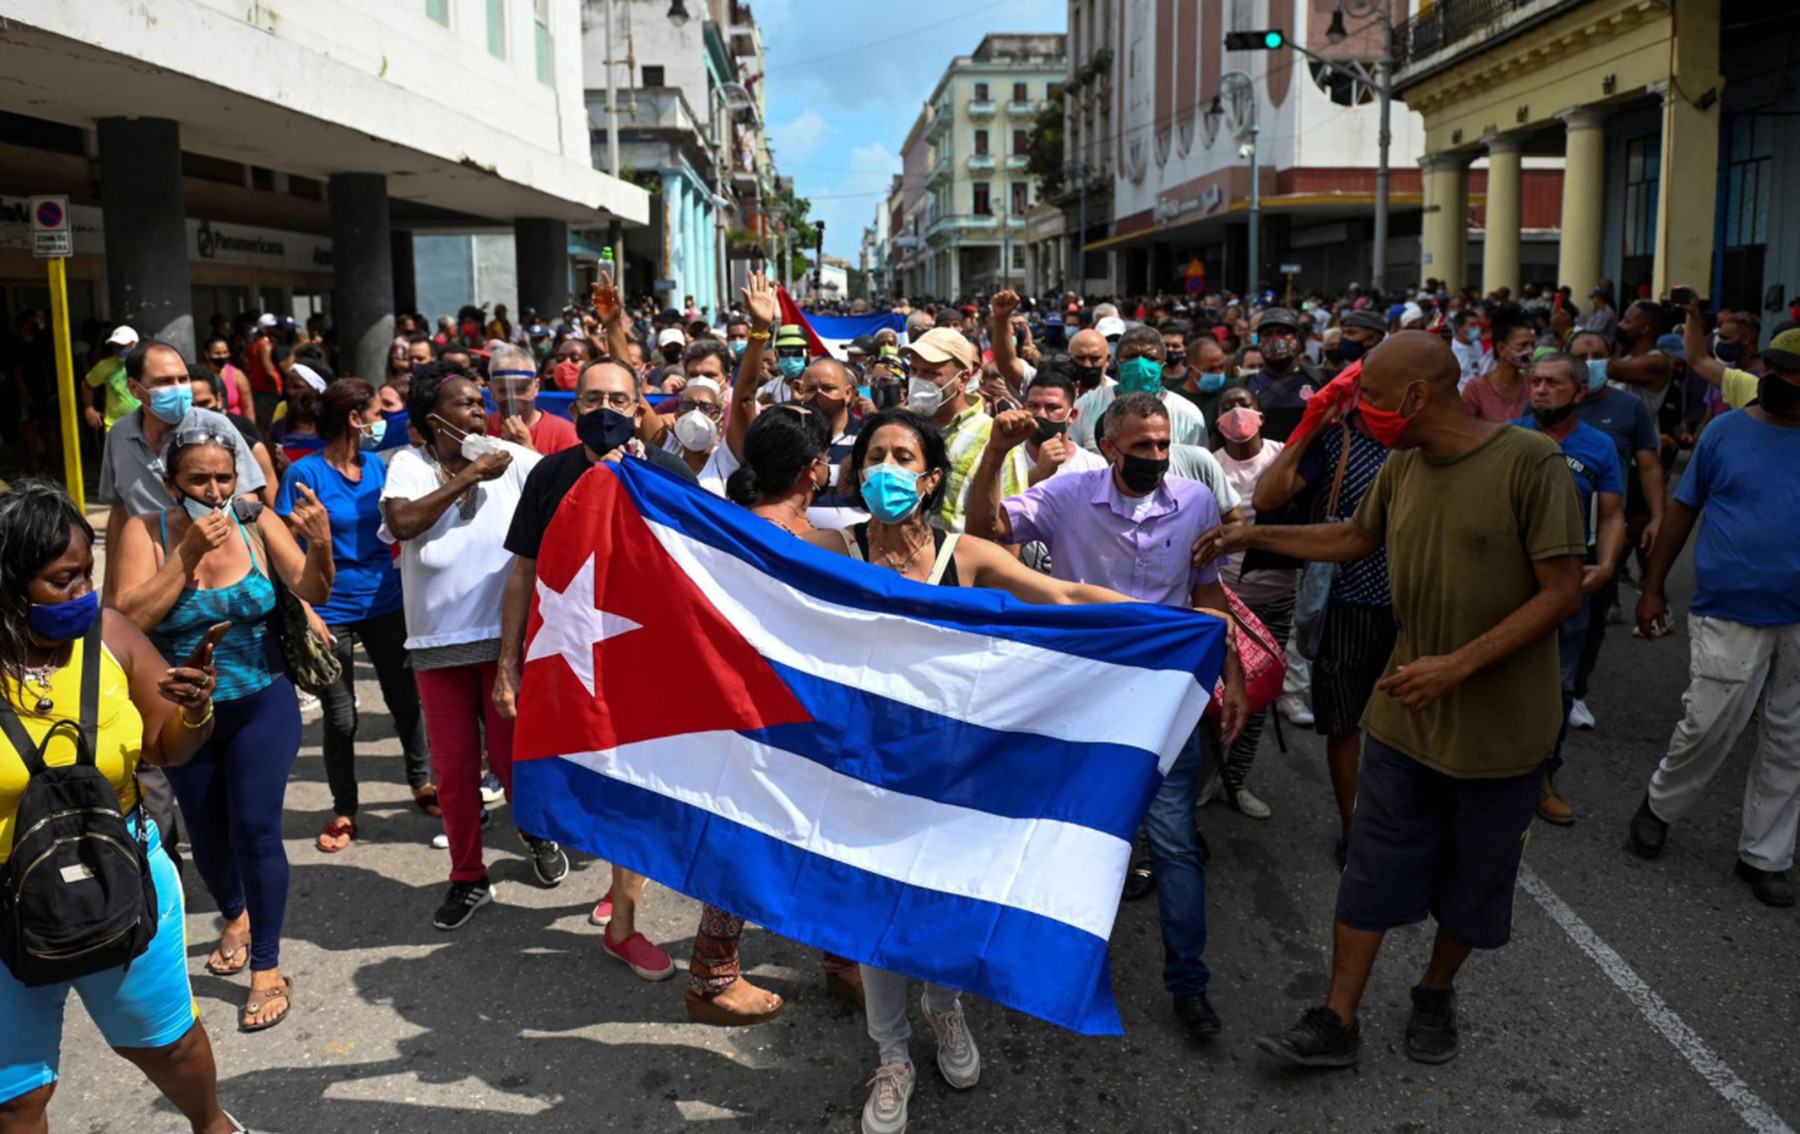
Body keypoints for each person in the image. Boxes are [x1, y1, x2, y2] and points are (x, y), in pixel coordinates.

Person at [803, 406, 1200, 1134]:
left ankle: (944, 1009)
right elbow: (740, 556)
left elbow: (1067, 597)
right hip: (867, 761)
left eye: (902, 457)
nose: (886, 470)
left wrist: (1177, 629)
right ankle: (891, 1056)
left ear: (928, 477)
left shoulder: (968, 554)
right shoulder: (832, 547)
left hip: (957, 765)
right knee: (877, 912)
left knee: (949, 897)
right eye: (875, 456)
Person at [1199, 331, 1584, 1068]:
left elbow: (1563, 590)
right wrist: (1249, 534)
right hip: (1405, 720)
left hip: (1502, 733)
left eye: (1370, 397)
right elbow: (1351, 538)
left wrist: (1457, 666)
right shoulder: (1405, 467)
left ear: (1413, 396)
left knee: (1474, 882)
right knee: (1372, 869)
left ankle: (1435, 991)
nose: (1363, 410)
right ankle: (1337, 1019)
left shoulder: (1529, 462)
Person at [967, 392, 1248, 1042]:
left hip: (1164, 700)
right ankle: (1033, 963)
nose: (1154, 456)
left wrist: (1229, 674)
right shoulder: (1068, 495)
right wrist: (997, 453)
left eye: (1161, 445)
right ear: (1110, 447)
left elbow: (1209, 596)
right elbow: (988, 531)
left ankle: (1190, 986)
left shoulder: (1197, 503)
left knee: (1176, 846)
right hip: (1080, 698)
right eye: (1141, 446)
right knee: (1054, 832)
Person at [0, 482, 244, 1133]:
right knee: (15, 1097)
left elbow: (169, 747)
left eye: (88, 573)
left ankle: (213, 1124)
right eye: (61, 580)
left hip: (123, 881)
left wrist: (196, 708)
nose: (84, 592)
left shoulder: (111, 637)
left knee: (166, 1046)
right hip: (6, 908)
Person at [110, 425, 335, 1033]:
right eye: (198, 480)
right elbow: (126, 619)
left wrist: (321, 545)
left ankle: (267, 966)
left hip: (263, 698)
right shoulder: (144, 530)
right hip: (183, 711)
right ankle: (234, 912)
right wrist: (184, 556)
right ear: (170, 483)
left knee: (257, 829)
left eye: (223, 478)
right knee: (207, 836)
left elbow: (310, 587)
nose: (213, 492)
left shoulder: (257, 522)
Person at [497, 358, 695, 982]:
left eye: (618, 398)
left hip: (646, 661)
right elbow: (522, 571)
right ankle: (614, 873)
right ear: (572, 406)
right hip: (569, 656)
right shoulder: (548, 475)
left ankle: (622, 921)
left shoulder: (666, 473)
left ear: (640, 408)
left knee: (634, 784)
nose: (603, 409)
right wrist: (508, 666)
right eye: (590, 399)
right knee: (582, 777)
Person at [380, 359, 571, 927]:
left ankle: (535, 836)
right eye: (466, 404)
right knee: (455, 771)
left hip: (502, 643)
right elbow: (405, 524)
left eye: (480, 402)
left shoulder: (508, 460)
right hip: (436, 646)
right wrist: (468, 476)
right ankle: (468, 877)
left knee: (515, 763)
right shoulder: (408, 466)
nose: (480, 411)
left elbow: (571, 481)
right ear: (433, 421)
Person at [1627, 335, 1800, 908]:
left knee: (1791, 740)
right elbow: (1683, 511)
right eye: (1777, 370)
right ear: (1762, 370)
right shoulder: (1725, 432)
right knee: (1709, 722)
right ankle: (1661, 805)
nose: (1786, 382)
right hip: (1730, 606)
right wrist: (1653, 587)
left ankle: (1765, 856)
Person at [276, 378, 434, 853]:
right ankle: (345, 809)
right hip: (329, 610)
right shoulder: (304, 476)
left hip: (386, 602)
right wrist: (305, 611)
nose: (382, 421)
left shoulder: (378, 467)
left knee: (405, 702)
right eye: (376, 411)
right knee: (341, 718)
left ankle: (422, 783)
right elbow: (284, 549)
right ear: (354, 418)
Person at [1510, 353, 1626, 824]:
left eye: (1553, 383)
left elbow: (1614, 514)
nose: (1539, 389)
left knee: (1556, 686)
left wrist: (1607, 565)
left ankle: (1541, 777)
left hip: (1567, 588)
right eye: (1534, 381)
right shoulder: (1508, 436)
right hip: (1507, 584)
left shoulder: (1599, 446)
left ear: (1579, 392)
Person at [1568, 329, 1663, 730]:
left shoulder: (1628, 408)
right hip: (1549, 529)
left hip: (1605, 529)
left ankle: (1574, 693)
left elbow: (1649, 464)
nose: (1591, 361)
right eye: (1582, 354)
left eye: (1599, 354)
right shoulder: (1548, 405)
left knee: (1592, 616)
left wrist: (1658, 515)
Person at [1210, 387, 1292, 818]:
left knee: (1259, 695)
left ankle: (1236, 780)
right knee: (1215, 692)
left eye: (1245, 405)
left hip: (1276, 592)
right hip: (1224, 595)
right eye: (1227, 407)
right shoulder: (1210, 464)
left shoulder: (1283, 456)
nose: (1237, 413)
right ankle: (1210, 774)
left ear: (1261, 413)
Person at [1068, 325, 1207, 452]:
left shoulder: (1187, 415)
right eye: (1130, 357)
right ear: (1116, 365)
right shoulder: (1086, 406)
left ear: (1162, 366)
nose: (1140, 364)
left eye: (1150, 358)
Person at [1242, 308, 1329, 442]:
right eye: (1268, 334)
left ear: (1297, 340)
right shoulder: (1246, 386)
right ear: (1258, 342)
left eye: (1282, 333)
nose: (1275, 339)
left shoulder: (1320, 380)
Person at [486, 343, 578, 455]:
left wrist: (527, 446)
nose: (513, 398)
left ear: (536, 387)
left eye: (521, 389)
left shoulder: (565, 434)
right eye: (504, 390)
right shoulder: (484, 428)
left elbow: (568, 472)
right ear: (491, 390)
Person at [1460, 305, 1533, 423]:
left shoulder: (1533, 385)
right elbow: (1464, 429)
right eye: (1523, 345)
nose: (1530, 351)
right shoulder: (1476, 389)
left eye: (1531, 345)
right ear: (1501, 348)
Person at [80, 325, 140, 434]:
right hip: (115, 428)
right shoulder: (105, 367)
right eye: (116, 346)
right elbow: (87, 385)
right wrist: (89, 408)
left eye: (122, 346)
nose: (119, 349)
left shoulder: (147, 364)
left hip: (144, 427)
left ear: (134, 344)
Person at [199, 336, 256, 425]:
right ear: (207, 354)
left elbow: (248, 407)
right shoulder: (199, 374)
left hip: (236, 426)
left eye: (225, 352)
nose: (222, 356)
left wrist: (250, 429)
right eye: (217, 353)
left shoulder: (237, 375)